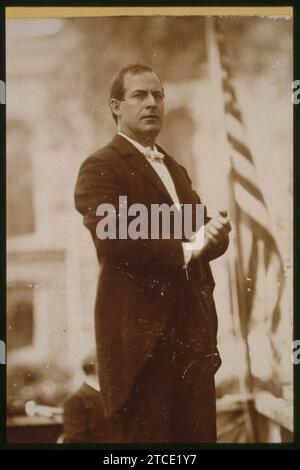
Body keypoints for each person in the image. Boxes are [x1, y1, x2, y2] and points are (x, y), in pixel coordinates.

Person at [74, 64, 231, 443]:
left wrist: (216, 233)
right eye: (139, 95)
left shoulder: (174, 169)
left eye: (158, 96)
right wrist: (190, 245)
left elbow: (204, 230)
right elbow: (114, 239)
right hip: (142, 350)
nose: (152, 104)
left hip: (192, 341)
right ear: (116, 106)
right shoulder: (101, 166)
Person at [63, 353, 120, 443]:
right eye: (108, 365)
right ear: (98, 368)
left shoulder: (110, 395)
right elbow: (76, 439)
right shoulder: (77, 400)